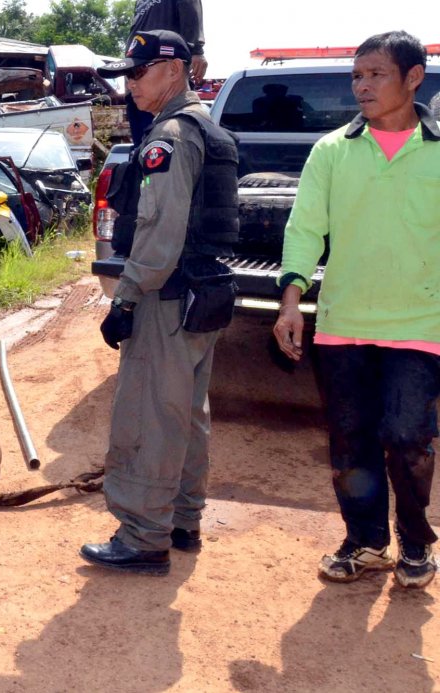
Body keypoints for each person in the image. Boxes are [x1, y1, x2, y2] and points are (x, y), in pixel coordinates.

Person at [273, 30, 440, 588]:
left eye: (376, 74)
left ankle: (416, 542)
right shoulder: (332, 150)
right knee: (350, 441)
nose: (362, 86)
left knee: (406, 436)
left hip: (421, 324)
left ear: (413, 77)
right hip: (343, 323)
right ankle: (366, 542)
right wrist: (292, 301)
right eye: (357, 75)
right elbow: (305, 230)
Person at [80, 30, 239, 575]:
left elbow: (158, 231)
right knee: (187, 414)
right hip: (203, 295)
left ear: (173, 70)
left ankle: (144, 536)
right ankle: (181, 520)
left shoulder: (170, 134)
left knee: (150, 415)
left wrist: (124, 299)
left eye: (139, 71)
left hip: (166, 299)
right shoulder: (209, 128)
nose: (130, 83)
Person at [125, 0, 207, 142]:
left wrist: (196, 50)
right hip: (140, 74)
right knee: (142, 148)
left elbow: (190, 11)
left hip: (161, 72)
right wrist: (131, 74)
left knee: (165, 142)